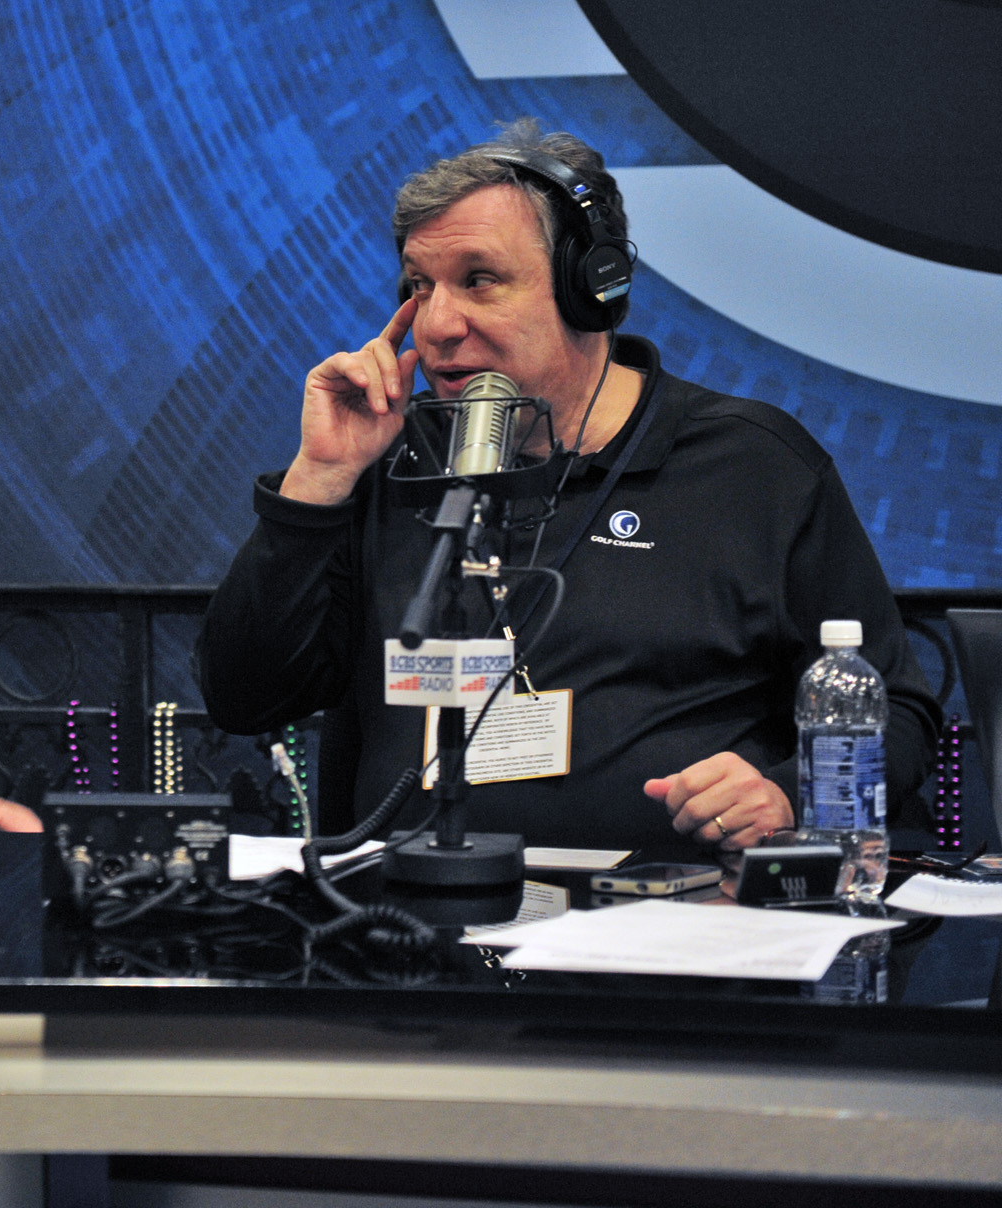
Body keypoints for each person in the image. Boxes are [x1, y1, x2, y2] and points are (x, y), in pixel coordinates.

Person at [197, 121, 940, 861]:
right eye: (418, 287)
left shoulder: (753, 465)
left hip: (672, 942)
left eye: (479, 281)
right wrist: (320, 479)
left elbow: (899, 713)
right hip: (410, 938)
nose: (437, 324)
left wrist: (786, 793)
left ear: (592, 287)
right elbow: (244, 697)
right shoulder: (390, 460)